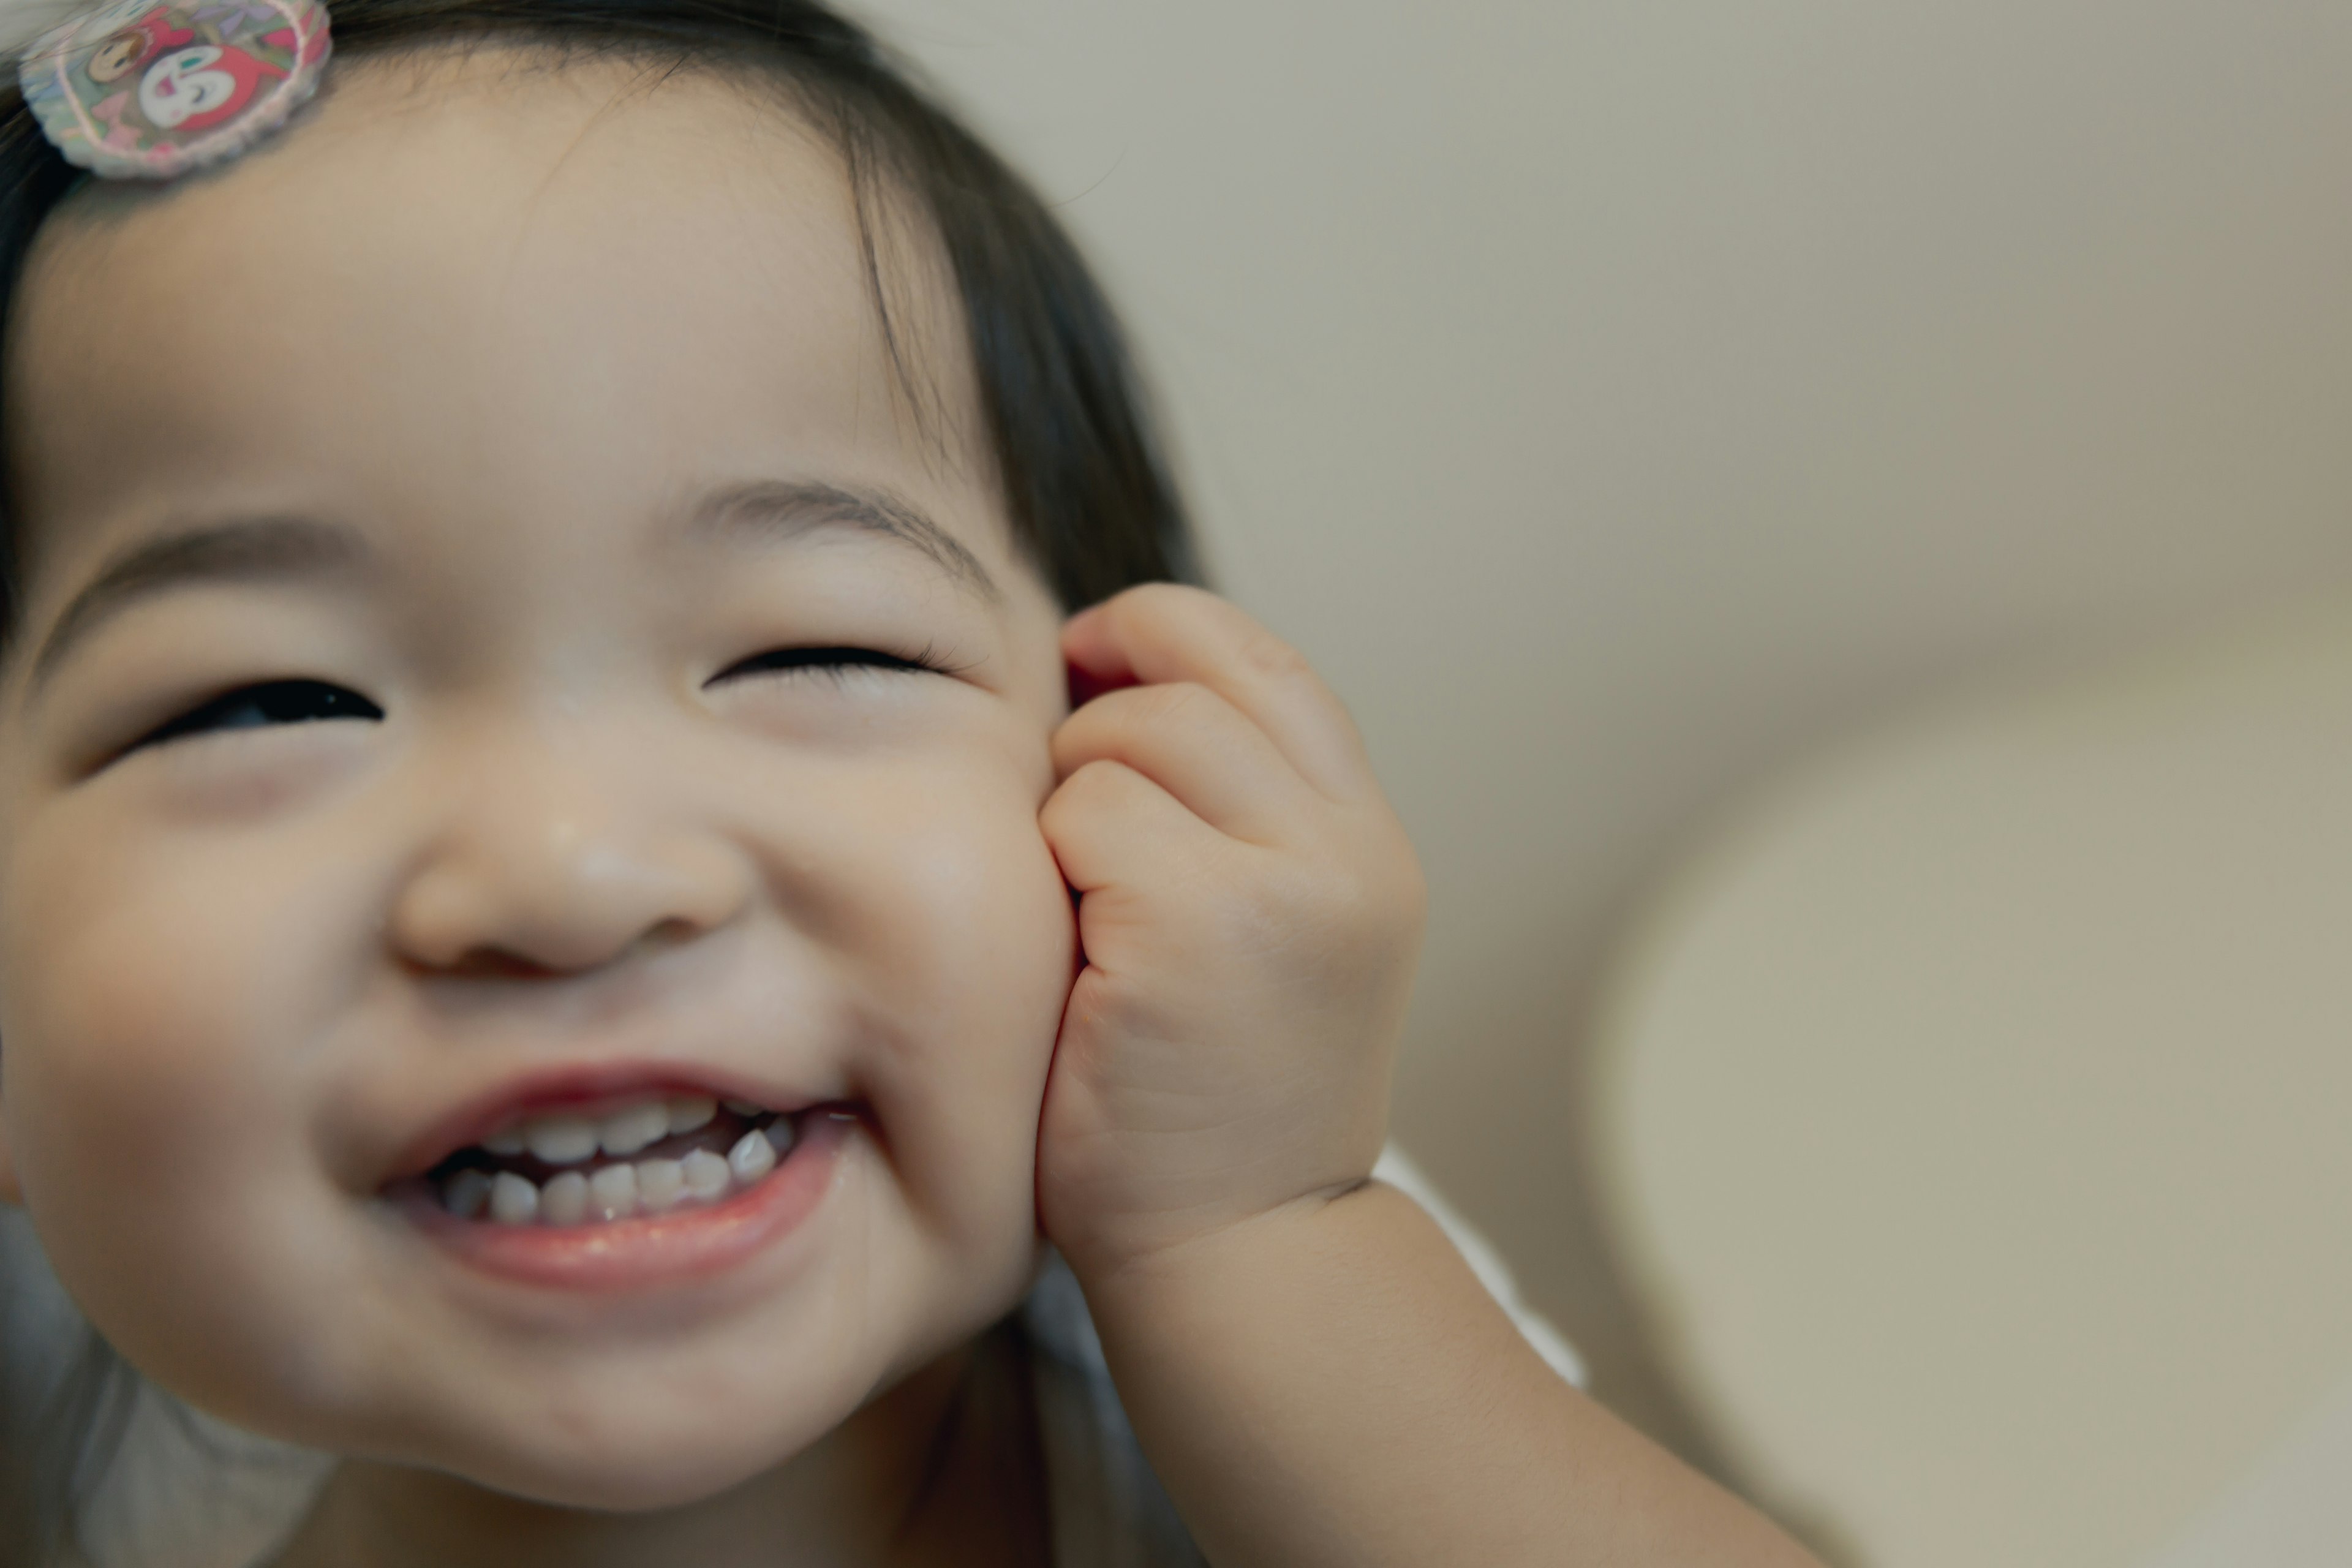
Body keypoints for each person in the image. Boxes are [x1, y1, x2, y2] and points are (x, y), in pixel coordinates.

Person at [0, 2, 1825, 1564]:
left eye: (817, 654)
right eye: (264, 703)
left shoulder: (1279, 1287)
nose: (575, 869)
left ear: (1121, 749)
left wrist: (1261, 1241)